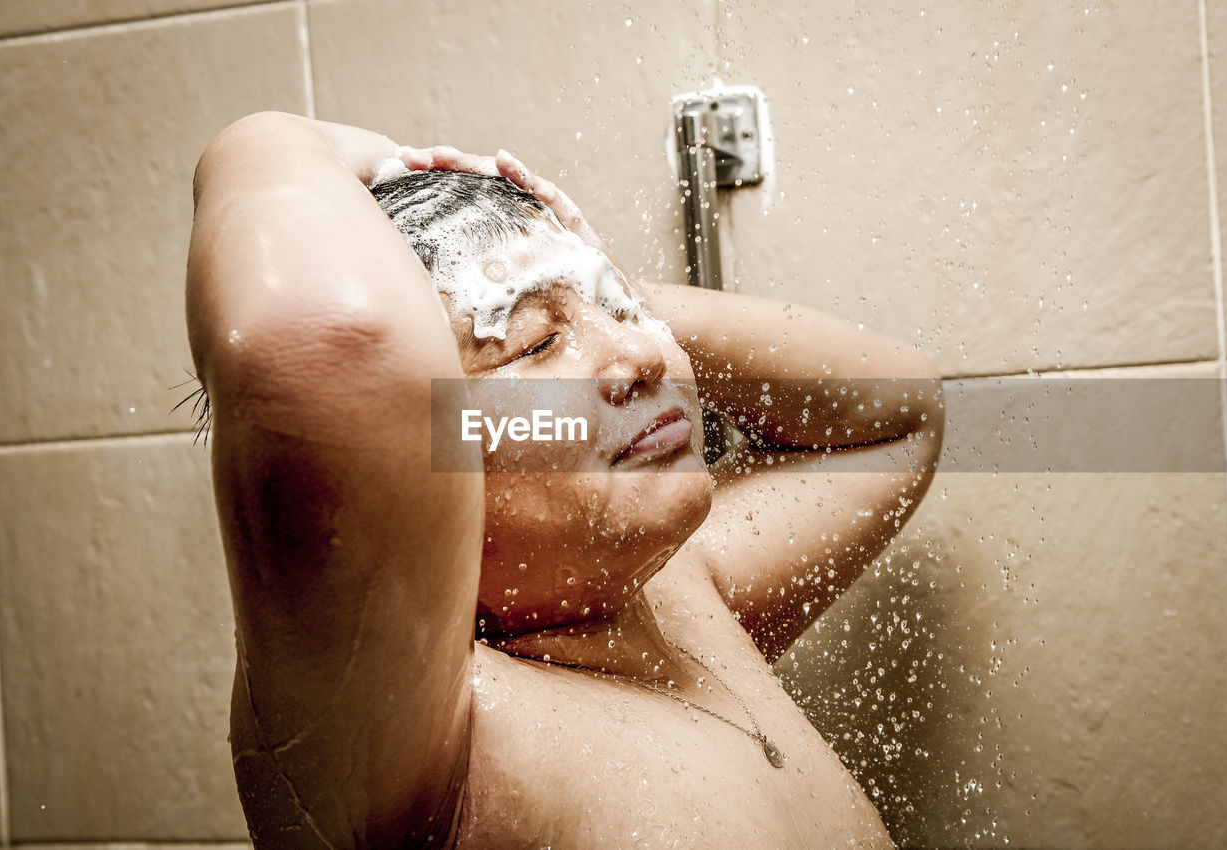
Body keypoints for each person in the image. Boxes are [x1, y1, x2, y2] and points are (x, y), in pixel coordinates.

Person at [185, 110, 944, 848]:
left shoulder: (687, 599)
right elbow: (320, 343)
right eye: (535, 344)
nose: (643, 355)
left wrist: (578, 283)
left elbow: (897, 415)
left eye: (620, 309)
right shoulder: (416, 737)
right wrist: (275, 141)